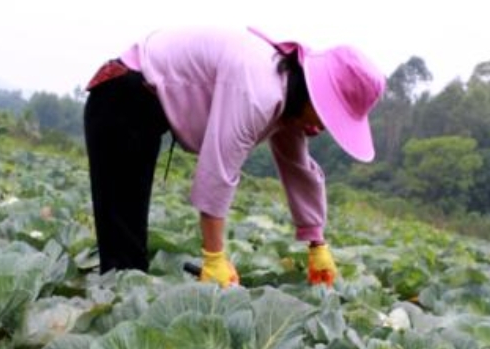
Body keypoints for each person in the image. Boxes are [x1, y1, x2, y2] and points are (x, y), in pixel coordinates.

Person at [83, 25, 384, 287]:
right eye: (329, 114)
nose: (324, 125)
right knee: (123, 252)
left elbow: (299, 168)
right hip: (121, 96)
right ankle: (114, 316)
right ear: (315, 91)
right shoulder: (259, 90)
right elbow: (218, 169)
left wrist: (317, 243)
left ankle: (123, 297)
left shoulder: (288, 97)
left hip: (145, 107)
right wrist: (214, 258)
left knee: (129, 246)